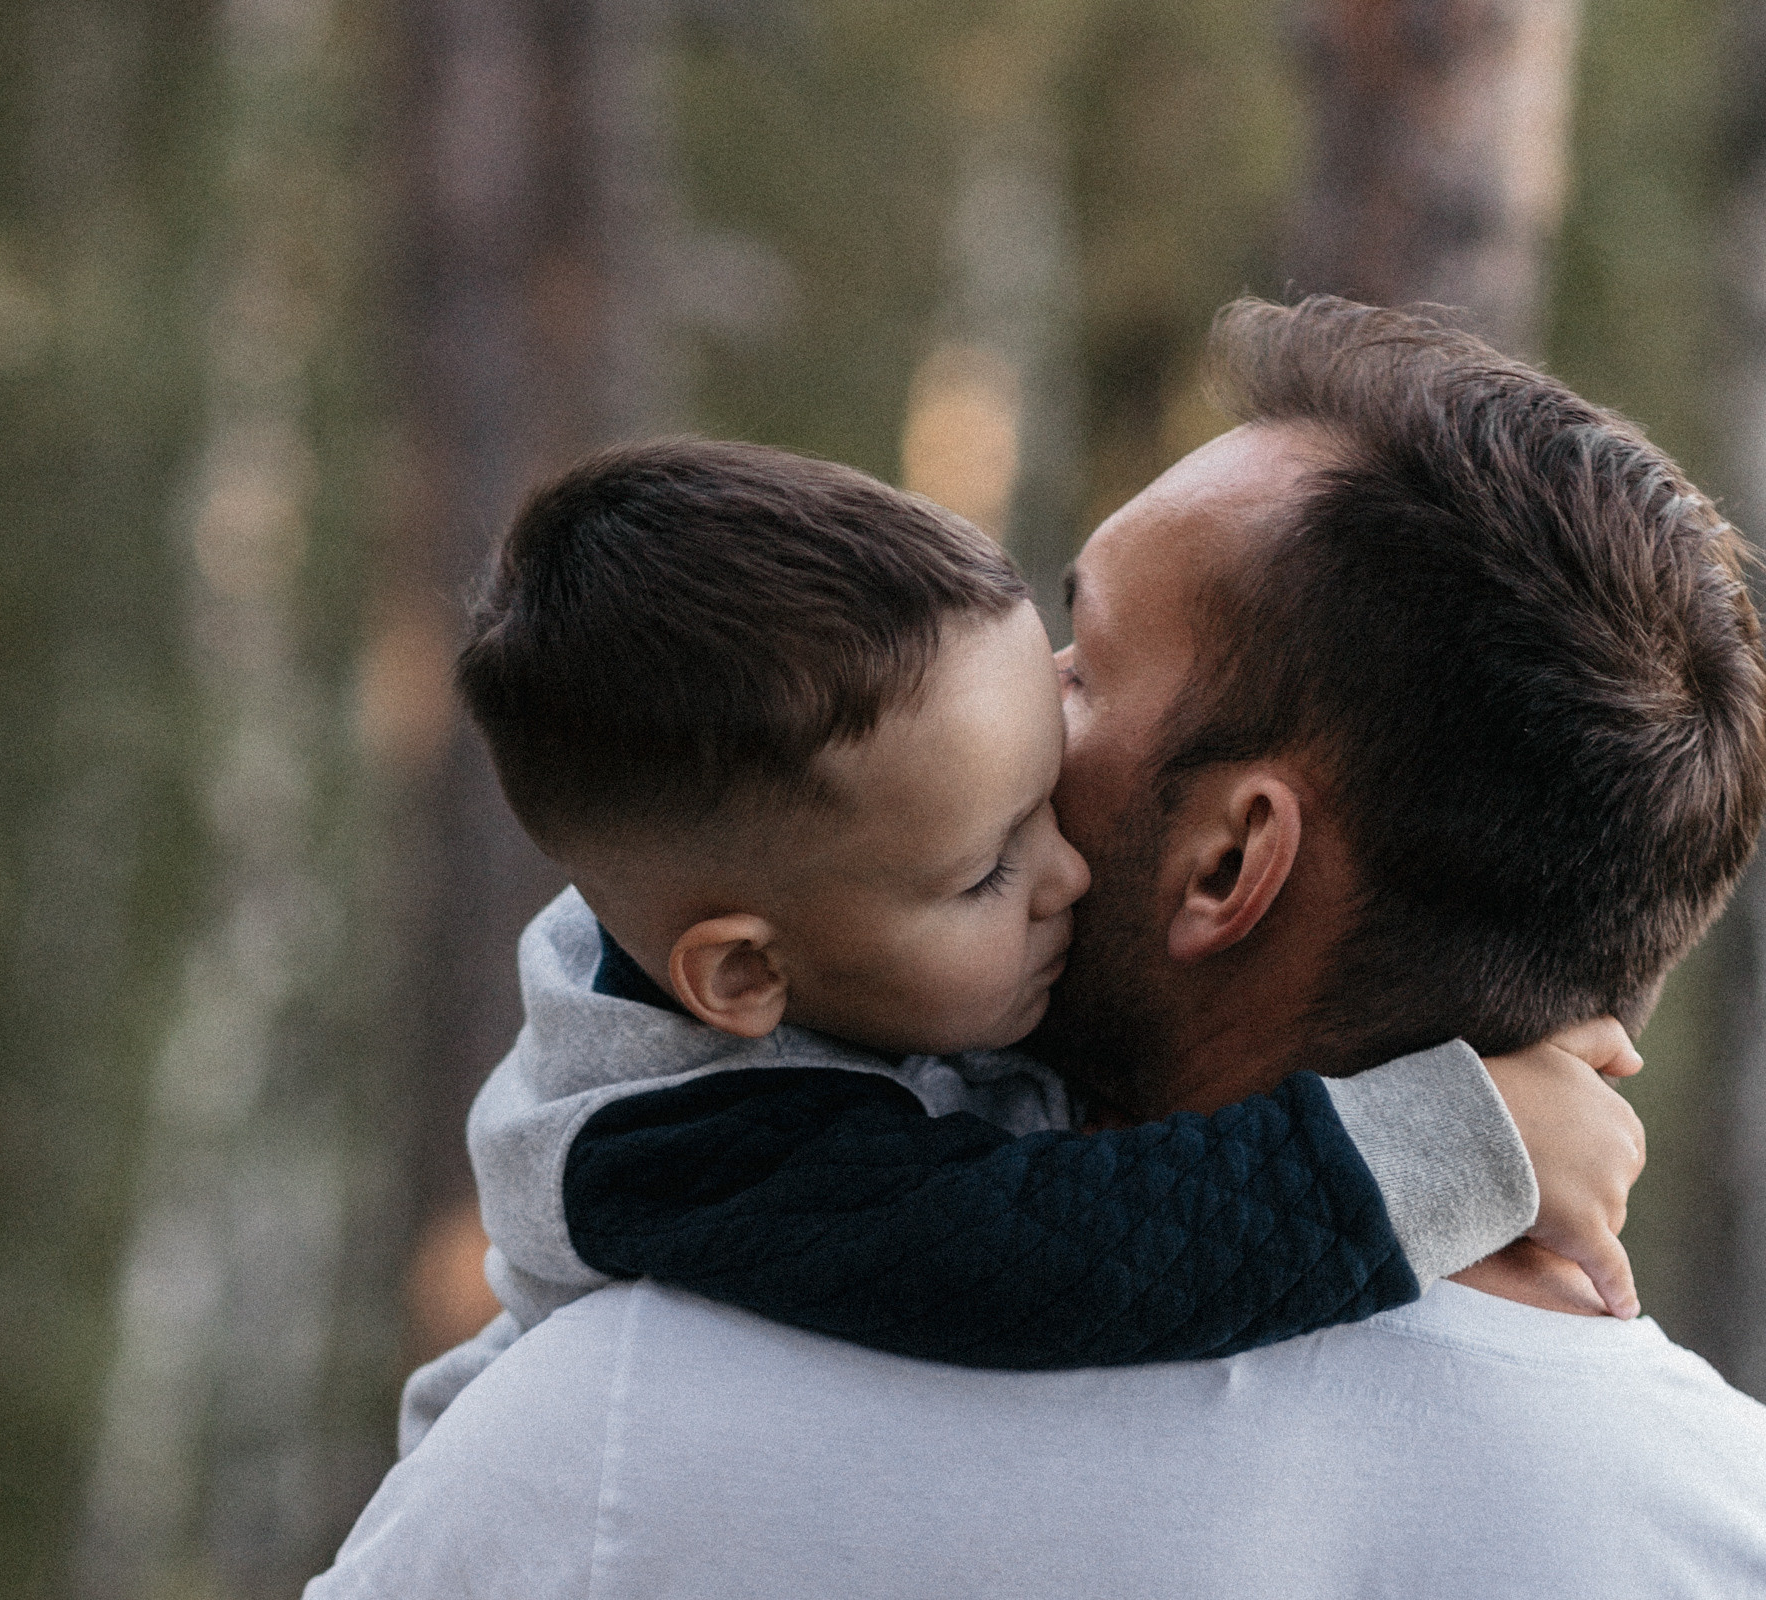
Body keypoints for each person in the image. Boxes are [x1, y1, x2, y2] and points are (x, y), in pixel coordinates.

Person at [308, 296, 1766, 1596]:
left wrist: (1451, 1151)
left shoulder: (608, 1455)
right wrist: (1466, 1144)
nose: (1008, 720)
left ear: (1229, 863)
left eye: (1085, 662)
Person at [395, 437, 1649, 1452]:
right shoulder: (678, 1136)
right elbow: (1056, 1254)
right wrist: (1463, 1139)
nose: (1066, 871)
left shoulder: (789, 896)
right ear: (742, 977)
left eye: (1056, 745)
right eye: (989, 869)